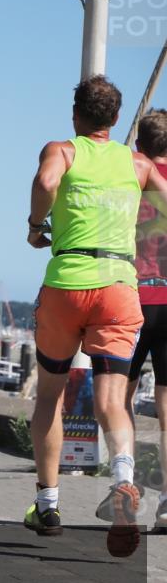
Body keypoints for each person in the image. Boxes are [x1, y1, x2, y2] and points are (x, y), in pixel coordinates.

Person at [23, 76, 167, 549]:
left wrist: (35, 225)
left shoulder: (63, 151)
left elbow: (46, 182)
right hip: (119, 287)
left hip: (68, 279)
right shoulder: (138, 164)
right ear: (116, 120)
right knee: (112, 399)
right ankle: (123, 479)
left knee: (50, 395)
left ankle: (47, 505)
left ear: (76, 115)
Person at [126, 108, 167, 529]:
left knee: (121, 402)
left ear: (139, 145)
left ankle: (128, 485)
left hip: (133, 299)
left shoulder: (128, 179)